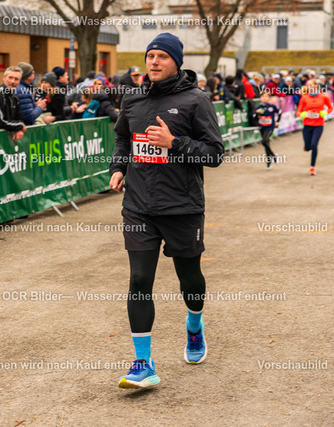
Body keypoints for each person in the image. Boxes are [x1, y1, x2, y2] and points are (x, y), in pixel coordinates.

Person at [109, 33, 224, 389]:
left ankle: (194, 326)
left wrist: (174, 143)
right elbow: (123, 137)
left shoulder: (195, 100)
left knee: (189, 278)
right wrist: (119, 167)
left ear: (176, 62)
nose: (154, 62)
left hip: (182, 207)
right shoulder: (133, 99)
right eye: (150, 56)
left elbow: (214, 153)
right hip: (139, 206)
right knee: (139, 280)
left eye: (162, 56)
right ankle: (143, 364)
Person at [296, 79, 334, 175]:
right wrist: (302, 114)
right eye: (308, 85)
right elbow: (298, 111)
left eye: (311, 85)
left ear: (316, 86)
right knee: (308, 147)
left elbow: (330, 108)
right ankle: (306, 147)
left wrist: (325, 112)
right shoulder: (304, 98)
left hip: (318, 125)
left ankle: (312, 167)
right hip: (307, 125)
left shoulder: (323, 97)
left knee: (314, 145)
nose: (309, 87)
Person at [255, 92, 282, 169]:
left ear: (269, 98)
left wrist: (277, 121)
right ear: (260, 98)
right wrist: (257, 114)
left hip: (270, 127)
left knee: (264, 141)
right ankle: (269, 162)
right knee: (266, 144)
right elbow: (254, 117)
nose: (264, 98)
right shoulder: (258, 107)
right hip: (262, 127)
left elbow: (280, 112)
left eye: (266, 96)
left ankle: (274, 156)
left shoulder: (272, 107)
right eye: (263, 96)